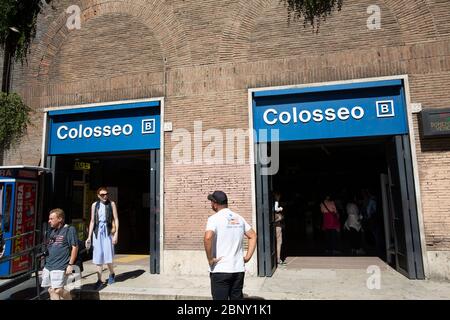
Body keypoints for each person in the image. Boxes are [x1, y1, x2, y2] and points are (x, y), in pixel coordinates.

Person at [204, 190, 257, 300]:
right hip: (238, 269)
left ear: (215, 204)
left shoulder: (214, 219)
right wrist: (247, 257)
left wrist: (210, 259)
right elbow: (253, 236)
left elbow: (208, 237)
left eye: (211, 202)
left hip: (220, 269)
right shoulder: (238, 218)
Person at [41, 208, 78, 300]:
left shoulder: (69, 229)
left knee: (57, 290)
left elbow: (75, 247)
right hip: (49, 265)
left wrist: (70, 264)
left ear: (60, 219)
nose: (49, 221)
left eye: (51, 219)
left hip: (60, 265)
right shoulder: (52, 231)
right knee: (51, 290)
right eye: (49, 219)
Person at [86, 187, 119, 289]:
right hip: (97, 232)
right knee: (98, 255)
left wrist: (116, 233)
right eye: (102, 195)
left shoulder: (111, 204)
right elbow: (92, 221)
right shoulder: (94, 205)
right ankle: (99, 279)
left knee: (108, 255)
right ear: (98, 195)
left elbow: (116, 219)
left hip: (108, 232)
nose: (105, 196)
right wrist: (89, 237)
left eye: (106, 194)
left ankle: (112, 273)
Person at [273, 191, 286, 265]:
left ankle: (276, 258)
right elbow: (276, 210)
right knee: (279, 242)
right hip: (277, 225)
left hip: (274, 224)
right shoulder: (276, 202)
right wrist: (281, 209)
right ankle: (278, 259)